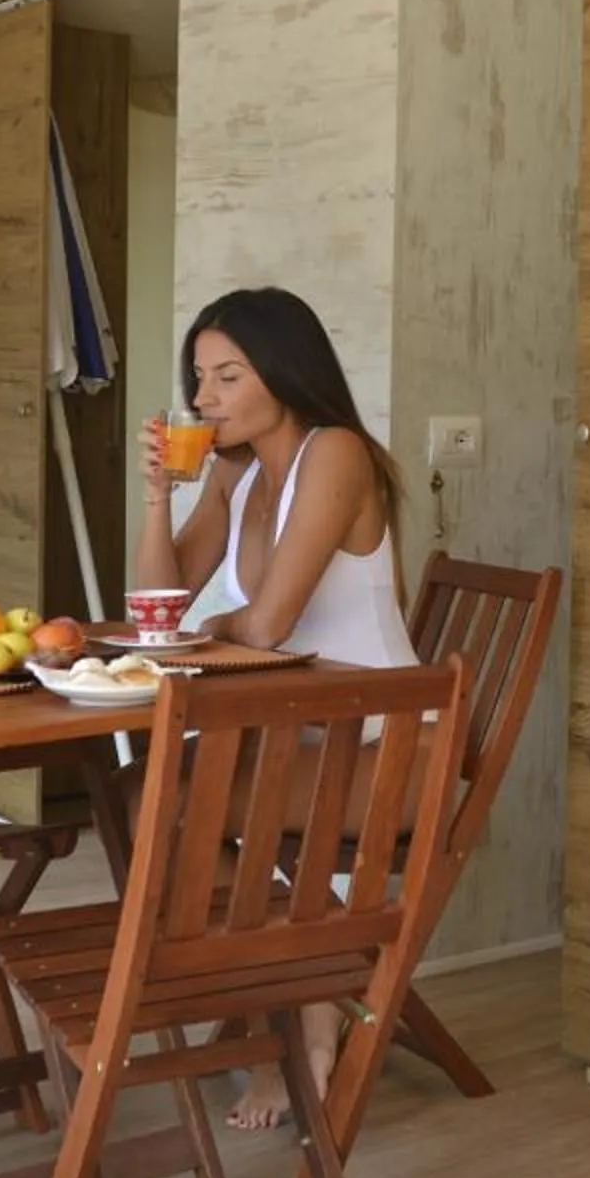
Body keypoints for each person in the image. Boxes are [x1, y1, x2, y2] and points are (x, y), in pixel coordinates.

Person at [132, 287, 430, 1128]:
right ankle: (307, 988)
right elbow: (156, 603)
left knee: (173, 807)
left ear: (285, 376)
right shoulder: (234, 471)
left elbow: (267, 624)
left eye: (228, 376)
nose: (203, 399)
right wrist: (161, 496)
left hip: (386, 749)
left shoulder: (335, 454)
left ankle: (302, 1020)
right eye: (199, 378)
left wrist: (204, 634)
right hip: (305, 742)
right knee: (141, 801)